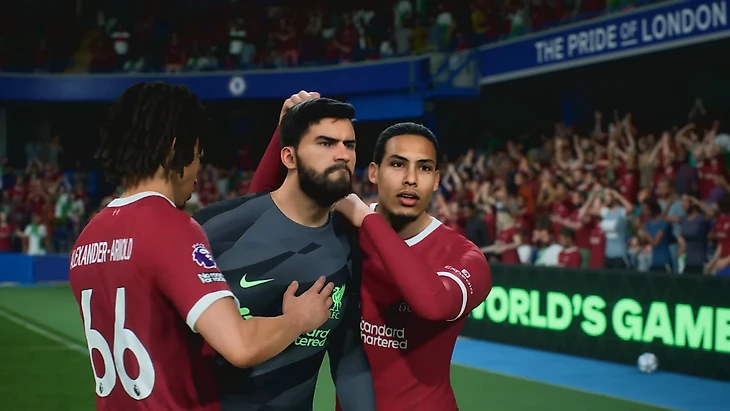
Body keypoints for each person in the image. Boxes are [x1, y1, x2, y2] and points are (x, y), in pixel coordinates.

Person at [68, 82, 335, 411]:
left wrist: (282, 133)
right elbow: (239, 345)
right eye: (197, 154)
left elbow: (245, 227)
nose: (197, 170)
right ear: (174, 149)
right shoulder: (170, 228)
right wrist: (299, 319)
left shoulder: (88, 239)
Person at [249, 92, 492, 411]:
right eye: (398, 164)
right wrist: (285, 131)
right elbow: (258, 224)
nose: (410, 179)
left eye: (423, 168)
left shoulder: (465, 258)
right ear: (374, 172)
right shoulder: (342, 230)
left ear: (435, 181)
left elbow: (433, 304)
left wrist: (367, 220)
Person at [193, 96, 375, 411]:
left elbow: (348, 356)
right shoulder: (215, 228)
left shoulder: (351, 246)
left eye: (349, 145)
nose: (343, 155)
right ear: (289, 157)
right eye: (326, 143)